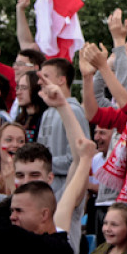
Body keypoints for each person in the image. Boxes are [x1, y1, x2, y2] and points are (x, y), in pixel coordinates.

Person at [36, 57, 91, 195]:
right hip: (44, 190)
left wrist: (40, 164)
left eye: (46, 76)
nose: (39, 81)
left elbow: (78, 157)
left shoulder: (74, 111)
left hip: (65, 191)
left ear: (62, 80)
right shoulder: (47, 112)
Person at [14, 69, 47, 142]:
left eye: (24, 88)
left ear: (36, 88)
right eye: (18, 87)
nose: (18, 92)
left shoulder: (45, 117)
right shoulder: (20, 118)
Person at [0, 122, 25, 194]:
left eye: (21, 141)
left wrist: (11, 186)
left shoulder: (31, 179)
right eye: (9, 140)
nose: (15, 145)